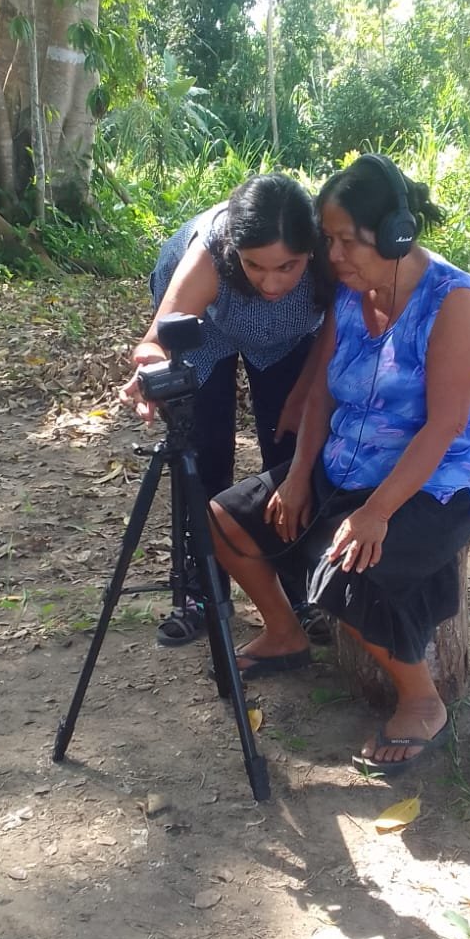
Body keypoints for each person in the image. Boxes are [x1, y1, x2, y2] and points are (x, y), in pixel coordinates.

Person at [209, 153, 470, 775]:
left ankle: (422, 699)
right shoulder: (350, 294)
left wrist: (373, 514)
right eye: (329, 239)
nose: (333, 255)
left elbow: (445, 426)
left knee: (344, 573)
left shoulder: (454, 303)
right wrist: (295, 475)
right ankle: (285, 632)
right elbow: (321, 391)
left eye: (347, 241)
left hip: (435, 482)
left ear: (396, 235)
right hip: (347, 465)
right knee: (224, 520)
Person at [119, 173, 329, 646]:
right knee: (204, 451)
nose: (271, 282)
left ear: (312, 251)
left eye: (288, 267)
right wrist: (149, 374)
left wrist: (305, 391)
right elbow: (156, 341)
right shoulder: (207, 259)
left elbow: (336, 334)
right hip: (206, 332)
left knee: (289, 450)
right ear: (234, 250)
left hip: (287, 340)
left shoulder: (331, 262)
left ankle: (300, 586)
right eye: (255, 266)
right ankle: (201, 590)